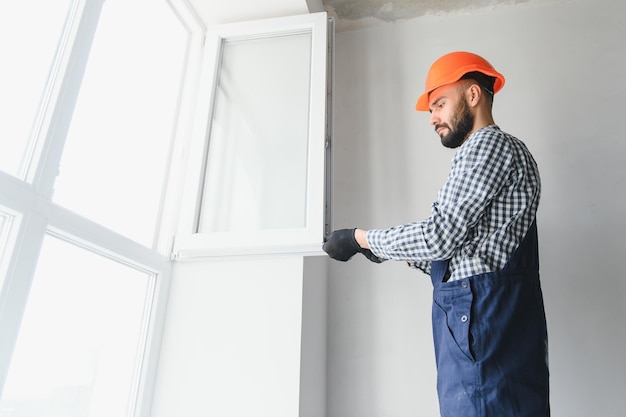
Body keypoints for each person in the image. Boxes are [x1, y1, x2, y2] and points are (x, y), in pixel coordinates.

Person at [323, 51, 550, 417]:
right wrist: (384, 251)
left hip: (480, 316)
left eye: (440, 104)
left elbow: (439, 236)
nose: (432, 119)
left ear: (473, 96)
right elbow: (466, 251)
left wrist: (359, 238)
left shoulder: (487, 147)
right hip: (495, 316)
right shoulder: (505, 152)